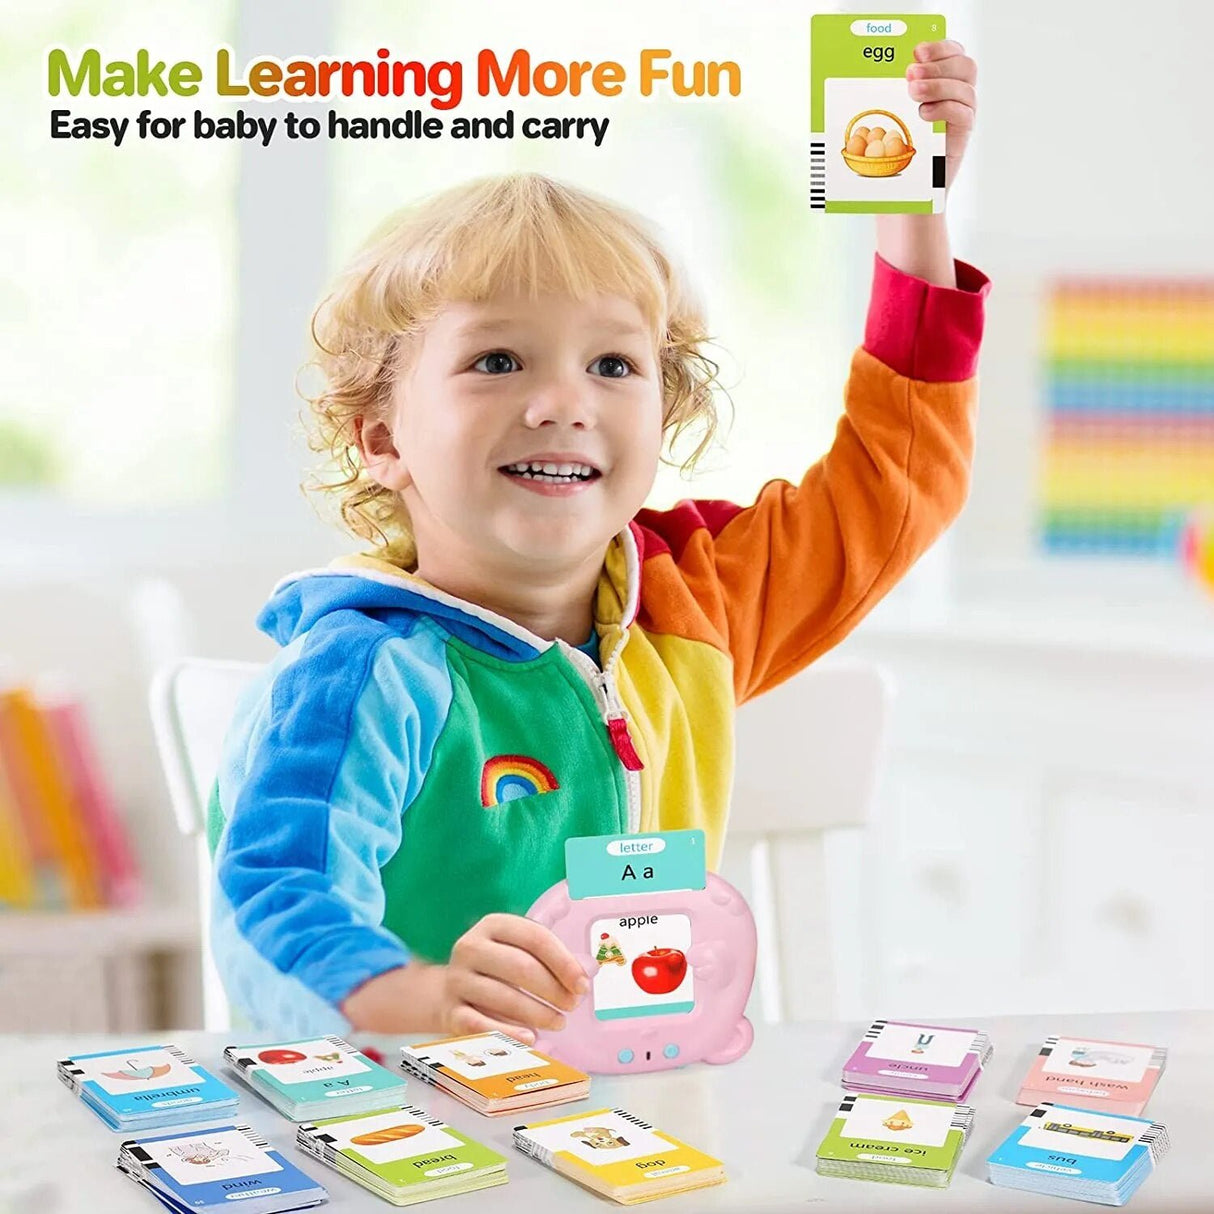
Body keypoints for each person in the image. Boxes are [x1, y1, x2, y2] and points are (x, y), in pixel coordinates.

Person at [210, 41, 986, 1038]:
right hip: (414, 1134)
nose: (561, 402)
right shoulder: (364, 667)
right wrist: (417, 997)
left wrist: (907, 208)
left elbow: (894, 482)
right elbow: (276, 891)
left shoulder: (692, 604)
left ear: (663, 422)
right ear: (381, 437)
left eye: (614, 364)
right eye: (496, 358)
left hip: (638, 1119)